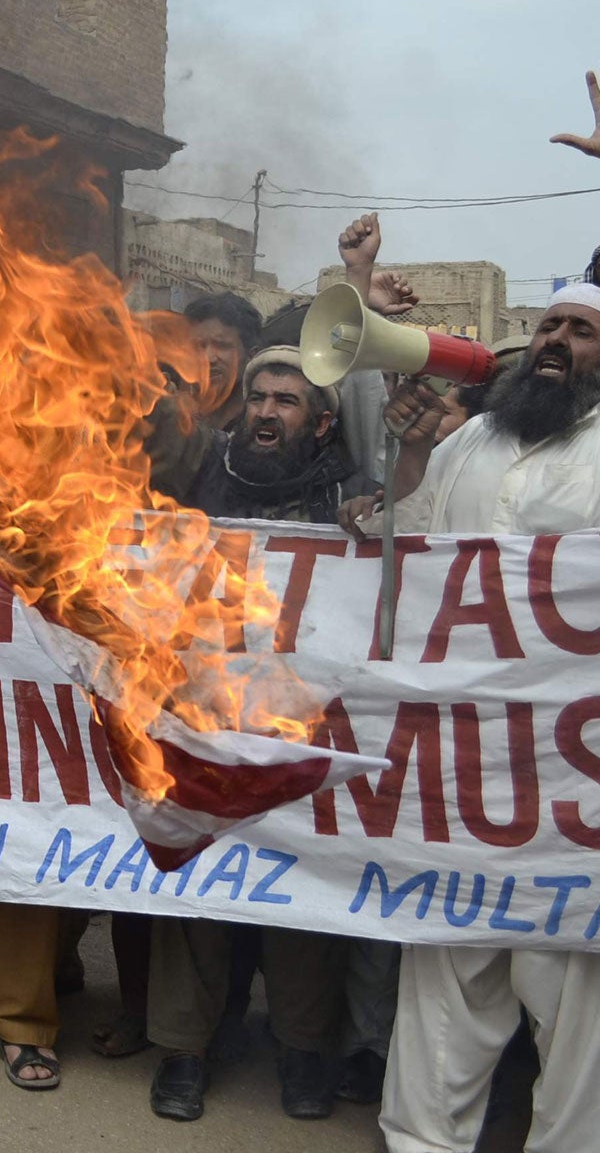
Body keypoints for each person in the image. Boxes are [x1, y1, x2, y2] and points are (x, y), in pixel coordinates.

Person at [366, 58, 600, 1153]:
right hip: (463, 776)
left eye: (582, 333)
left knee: (576, 1034)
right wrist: (409, 460)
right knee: (440, 1011)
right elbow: (410, 569)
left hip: (589, 794)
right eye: (548, 326)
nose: (553, 342)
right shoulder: (472, 435)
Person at [145, 346, 363, 1123]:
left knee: (303, 885)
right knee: (197, 880)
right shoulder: (198, 470)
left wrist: (367, 528)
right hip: (202, 710)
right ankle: (183, 1051)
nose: (268, 412)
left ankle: (304, 1052)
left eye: (288, 402)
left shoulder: (348, 492)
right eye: (260, 397)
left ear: (322, 421)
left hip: (301, 721)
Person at [181, 290, 264, 433]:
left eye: (221, 345)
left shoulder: (261, 422)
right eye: (198, 347)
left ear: (252, 356)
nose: (208, 358)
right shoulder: (183, 419)